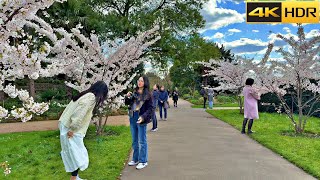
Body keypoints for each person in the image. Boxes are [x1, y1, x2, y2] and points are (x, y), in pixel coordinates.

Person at [58, 81, 108, 180]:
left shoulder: (85, 94)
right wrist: (73, 128)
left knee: (73, 152)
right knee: (77, 154)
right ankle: (74, 178)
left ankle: (75, 177)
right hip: (72, 127)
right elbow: (79, 113)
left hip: (66, 124)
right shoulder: (91, 97)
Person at [125, 76, 154, 170]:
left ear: (145, 82)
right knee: (134, 140)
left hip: (141, 118)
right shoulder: (134, 92)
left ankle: (143, 161)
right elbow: (128, 103)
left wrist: (143, 117)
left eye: (141, 81)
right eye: (138, 80)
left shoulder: (148, 95)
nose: (139, 82)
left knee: (142, 140)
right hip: (133, 117)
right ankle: (135, 158)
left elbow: (150, 109)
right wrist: (127, 97)